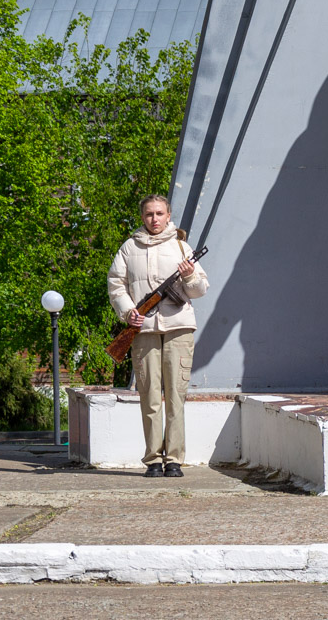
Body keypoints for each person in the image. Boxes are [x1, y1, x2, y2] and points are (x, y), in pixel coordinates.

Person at [108, 194, 209, 478]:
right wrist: (129, 312)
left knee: (176, 396)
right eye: (149, 214)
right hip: (143, 330)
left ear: (168, 215)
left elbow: (200, 288)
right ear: (142, 217)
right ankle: (153, 459)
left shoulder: (180, 246)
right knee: (149, 396)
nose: (154, 219)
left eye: (160, 213)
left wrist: (189, 276)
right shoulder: (129, 247)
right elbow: (116, 285)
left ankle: (174, 459)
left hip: (179, 328)